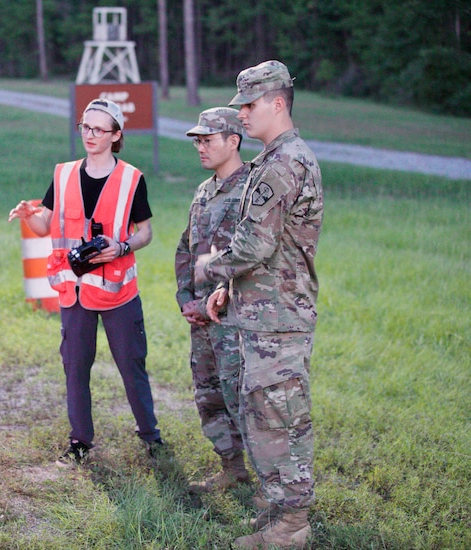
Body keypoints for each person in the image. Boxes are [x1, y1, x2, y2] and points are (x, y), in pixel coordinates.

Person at [192, 60, 323, 549]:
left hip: (279, 317)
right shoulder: (274, 159)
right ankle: (278, 512)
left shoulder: (285, 162)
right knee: (263, 415)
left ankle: (292, 525)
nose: (241, 115)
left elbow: (254, 246)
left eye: (248, 105)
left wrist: (213, 266)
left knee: (281, 418)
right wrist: (233, 287)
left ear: (277, 103)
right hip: (264, 311)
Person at [8, 98, 164, 467]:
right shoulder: (62, 174)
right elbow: (47, 226)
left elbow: (147, 233)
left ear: (116, 135)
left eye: (98, 129)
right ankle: (79, 441)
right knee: (75, 366)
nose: (89, 135)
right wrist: (29, 215)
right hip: (73, 290)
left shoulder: (131, 178)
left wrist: (123, 246)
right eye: (84, 127)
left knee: (131, 364)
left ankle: (150, 437)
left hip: (117, 291)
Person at [174, 107, 251, 494]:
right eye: (197, 141)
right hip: (202, 319)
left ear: (233, 141)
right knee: (209, 394)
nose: (200, 148)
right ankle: (232, 469)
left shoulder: (252, 191)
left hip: (237, 318)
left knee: (246, 399)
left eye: (208, 140)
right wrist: (186, 298)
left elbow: (259, 254)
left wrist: (220, 299)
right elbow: (186, 249)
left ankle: (275, 489)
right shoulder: (204, 191)